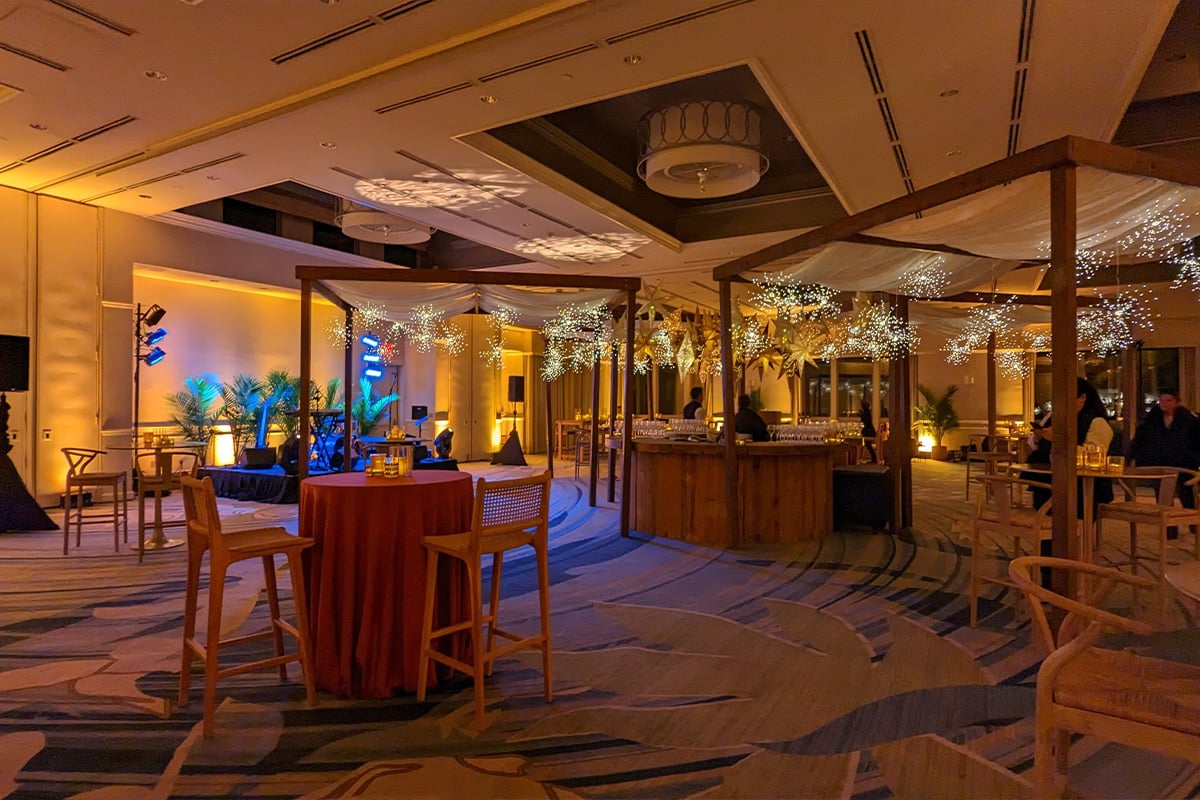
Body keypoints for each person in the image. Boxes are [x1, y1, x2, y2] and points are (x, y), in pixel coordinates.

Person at [1025, 378, 1113, 585]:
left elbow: (1093, 457)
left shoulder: (1096, 422)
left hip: (1083, 490)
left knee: (1065, 535)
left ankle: (1067, 582)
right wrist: (1039, 438)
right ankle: (1048, 581)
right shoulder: (1057, 418)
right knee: (1049, 534)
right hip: (1049, 485)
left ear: (1082, 398)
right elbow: (1036, 448)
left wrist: (1056, 439)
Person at [1129, 389, 1200, 538]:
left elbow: (1195, 441)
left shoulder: (1188, 420)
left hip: (1183, 463)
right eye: (1162, 401)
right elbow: (1141, 438)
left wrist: (1194, 458)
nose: (1165, 404)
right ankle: (1170, 530)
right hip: (1160, 463)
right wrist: (1131, 456)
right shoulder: (1152, 419)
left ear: (1176, 402)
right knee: (1163, 497)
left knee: (1186, 495)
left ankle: (1194, 525)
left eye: (1169, 401)